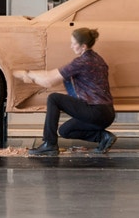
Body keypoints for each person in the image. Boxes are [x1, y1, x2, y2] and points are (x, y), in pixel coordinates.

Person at [13, 27, 117, 157]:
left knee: (54, 98)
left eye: (74, 43)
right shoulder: (98, 59)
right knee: (65, 130)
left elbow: (49, 81)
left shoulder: (81, 62)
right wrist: (31, 74)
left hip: (95, 111)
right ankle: (103, 137)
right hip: (107, 114)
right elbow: (50, 75)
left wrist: (27, 74)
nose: (71, 46)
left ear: (83, 46)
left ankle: (49, 144)